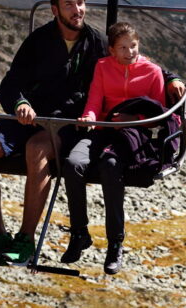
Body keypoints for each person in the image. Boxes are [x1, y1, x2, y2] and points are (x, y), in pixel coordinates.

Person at [0, 0, 184, 265]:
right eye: (69, 4)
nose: (77, 10)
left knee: (37, 149)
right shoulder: (39, 41)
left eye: (80, 3)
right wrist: (20, 103)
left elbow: (131, 58)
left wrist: (169, 78)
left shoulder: (95, 43)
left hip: (64, 123)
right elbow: (11, 82)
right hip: (29, 117)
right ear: (55, 10)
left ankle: (26, 239)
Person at [62, 22, 177, 274]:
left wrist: (132, 120)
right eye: (123, 48)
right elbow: (94, 100)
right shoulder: (103, 67)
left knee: (110, 166)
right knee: (73, 164)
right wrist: (89, 117)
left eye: (133, 46)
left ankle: (115, 242)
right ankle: (79, 232)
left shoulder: (152, 71)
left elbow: (157, 114)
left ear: (139, 46)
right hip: (102, 128)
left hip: (133, 134)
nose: (129, 52)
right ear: (112, 50)